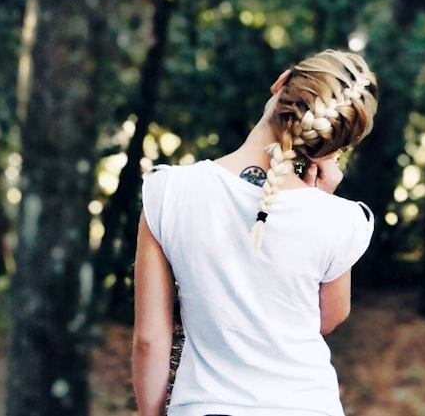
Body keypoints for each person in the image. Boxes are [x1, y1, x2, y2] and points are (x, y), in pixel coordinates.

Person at [132, 49, 379, 416]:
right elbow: (325, 317)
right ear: (332, 147)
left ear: (281, 82)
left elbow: (150, 340)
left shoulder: (168, 192)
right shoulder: (342, 219)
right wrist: (321, 201)